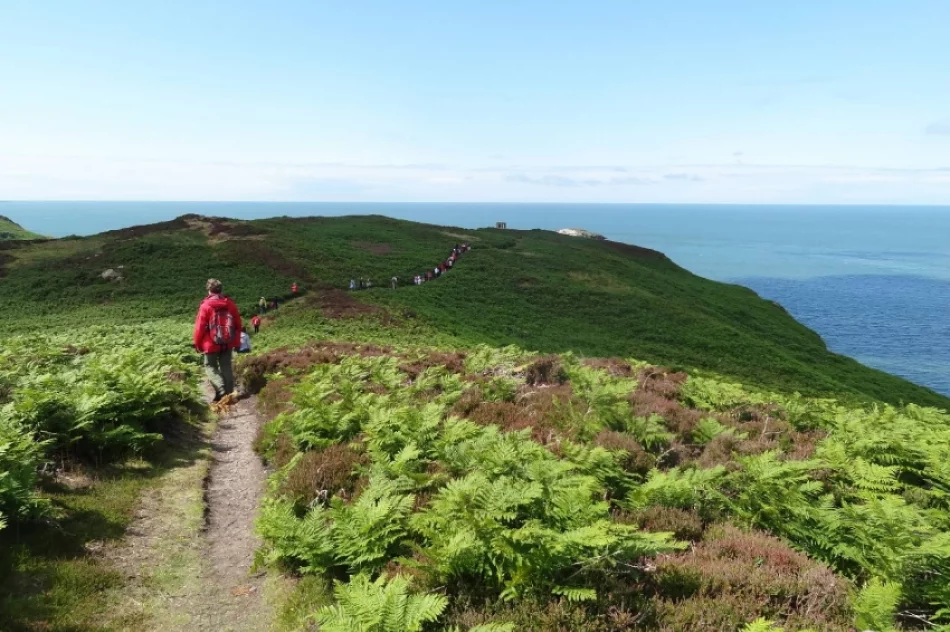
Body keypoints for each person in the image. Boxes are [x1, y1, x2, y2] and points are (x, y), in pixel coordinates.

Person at [194, 279, 242, 402]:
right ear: (221, 289)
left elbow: (200, 327)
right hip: (227, 341)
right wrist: (236, 342)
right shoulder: (230, 304)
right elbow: (237, 324)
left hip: (210, 344)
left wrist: (197, 344)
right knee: (226, 366)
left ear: (209, 290)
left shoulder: (205, 306)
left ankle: (220, 389)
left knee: (210, 366)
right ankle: (230, 393)